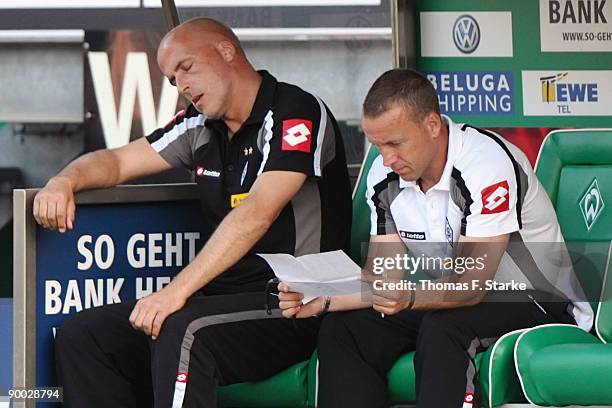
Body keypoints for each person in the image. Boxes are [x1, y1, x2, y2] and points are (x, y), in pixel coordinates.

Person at [33, 17, 352, 407]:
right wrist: (63, 181)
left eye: (186, 67)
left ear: (227, 51)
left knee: (182, 328)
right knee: (84, 336)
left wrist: (173, 293)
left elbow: (257, 213)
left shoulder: (294, 111)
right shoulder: (199, 125)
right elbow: (116, 162)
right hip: (224, 302)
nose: (181, 85)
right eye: (172, 79)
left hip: (299, 302)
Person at [278, 69, 593, 408]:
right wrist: (323, 299)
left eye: (395, 143)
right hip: (450, 299)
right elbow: (384, 279)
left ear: (431, 125)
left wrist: (409, 296)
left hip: (537, 299)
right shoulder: (385, 175)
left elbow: (471, 285)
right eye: (378, 145)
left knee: (443, 326)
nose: (386, 159)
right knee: (347, 329)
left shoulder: (484, 162)